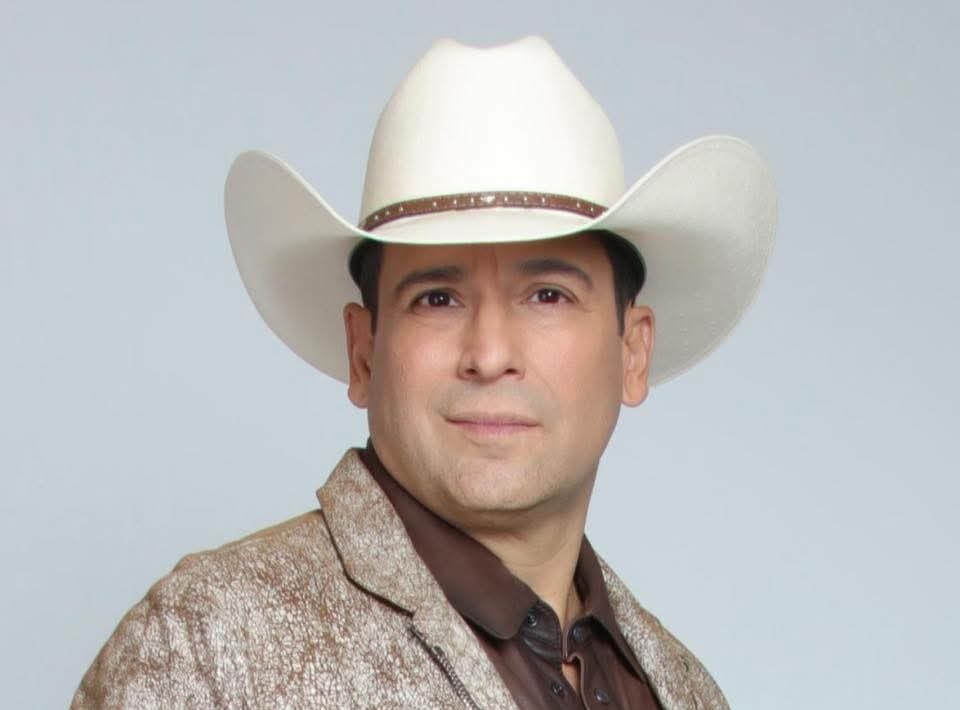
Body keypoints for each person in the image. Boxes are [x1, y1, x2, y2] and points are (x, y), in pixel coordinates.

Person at [72, 36, 776, 709]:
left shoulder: (684, 690)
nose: (490, 354)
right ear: (363, 352)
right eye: (437, 298)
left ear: (633, 353)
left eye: (547, 295)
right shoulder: (209, 644)